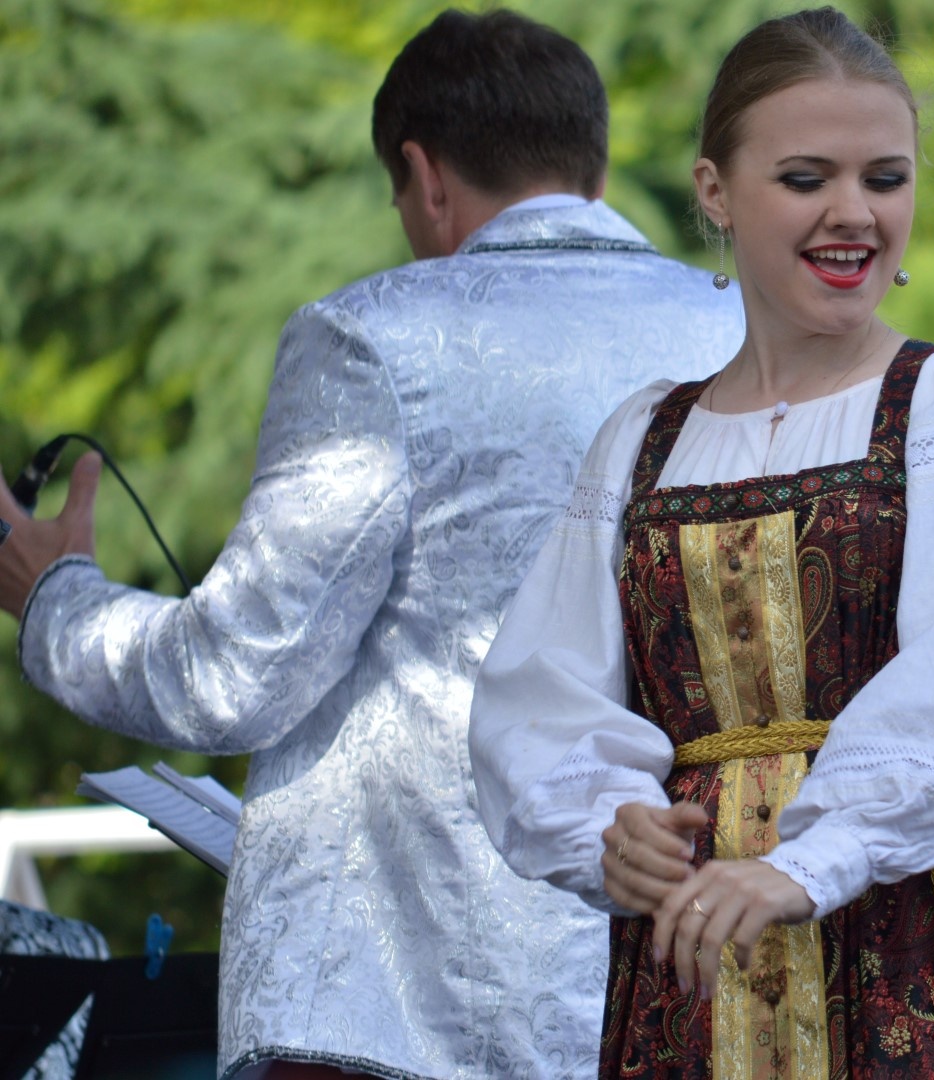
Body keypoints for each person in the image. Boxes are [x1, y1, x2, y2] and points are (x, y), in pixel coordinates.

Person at [0, 10, 742, 1080]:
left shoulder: (370, 337)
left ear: (423, 175)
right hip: (690, 982)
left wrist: (55, 598)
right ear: (593, 158)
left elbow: (232, 676)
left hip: (411, 1009)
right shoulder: (742, 331)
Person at [469, 7, 934, 1077]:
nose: (854, 213)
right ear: (715, 191)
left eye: (885, 179)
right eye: (807, 178)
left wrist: (820, 858)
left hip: (913, 934)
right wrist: (609, 827)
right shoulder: (642, 438)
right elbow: (543, 691)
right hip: (695, 964)